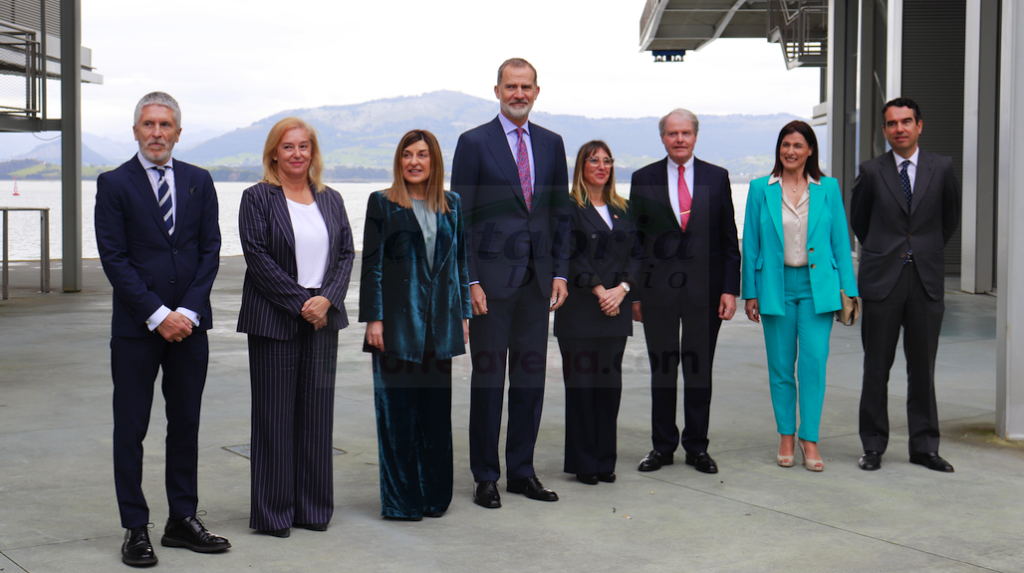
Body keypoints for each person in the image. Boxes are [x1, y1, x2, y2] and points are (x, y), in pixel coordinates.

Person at [95, 91, 229, 567]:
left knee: (185, 425)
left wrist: (187, 313)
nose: (156, 133)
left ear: (177, 131)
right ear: (135, 131)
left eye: (165, 125)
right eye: (148, 124)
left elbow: (210, 249)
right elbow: (114, 258)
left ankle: (181, 520)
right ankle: (135, 527)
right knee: (131, 429)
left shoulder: (199, 180)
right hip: (137, 330)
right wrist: (158, 314)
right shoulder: (114, 184)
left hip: (191, 329)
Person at [451, 57, 570, 508]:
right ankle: (486, 476)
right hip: (490, 286)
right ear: (497, 90)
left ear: (537, 91)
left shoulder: (552, 143)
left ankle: (522, 472)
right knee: (487, 383)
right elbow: (460, 218)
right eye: (510, 86)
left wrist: (559, 271)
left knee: (529, 383)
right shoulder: (473, 143)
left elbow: (559, 213)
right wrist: (471, 280)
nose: (518, 93)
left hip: (537, 283)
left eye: (526, 86)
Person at [237, 117, 355, 536]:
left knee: (316, 419)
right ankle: (274, 514)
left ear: (313, 152)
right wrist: (302, 303)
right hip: (275, 319)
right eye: (288, 147)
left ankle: (313, 510)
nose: (297, 154)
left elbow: (345, 254)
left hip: (323, 318)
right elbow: (257, 257)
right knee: (274, 421)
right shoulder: (257, 198)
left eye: (304, 146)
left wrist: (328, 300)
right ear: (273, 153)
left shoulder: (331, 198)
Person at [359, 129, 471, 520]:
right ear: (399, 160)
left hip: (440, 326)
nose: (414, 162)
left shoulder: (452, 204)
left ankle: (434, 496)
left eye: (422, 154)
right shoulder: (382, 203)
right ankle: (401, 500)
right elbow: (372, 266)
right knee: (397, 417)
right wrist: (374, 318)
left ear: (434, 160)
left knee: (435, 416)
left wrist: (464, 316)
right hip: (396, 325)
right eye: (407, 155)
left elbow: (460, 264)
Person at [850, 97, 961, 473]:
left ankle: (924, 447)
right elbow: (860, 223)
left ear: (919, 126)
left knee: (922, 369)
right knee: (876, 368)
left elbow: (949, 219)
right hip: (882, 282)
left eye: (906, 121)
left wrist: (922, 250)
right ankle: (873, 446)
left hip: (925, 281)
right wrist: (887, 252)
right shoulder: (871, 170)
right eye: (892, 123)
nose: (900, 128)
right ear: (884, 130)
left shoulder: (942, 168)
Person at [741, 120, 859, 472]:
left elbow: (841, 242)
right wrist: (750, 293)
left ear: (810, 150)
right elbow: (751, 242)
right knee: (780, 367)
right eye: (785, 145)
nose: (790, 151)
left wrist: (849, 293)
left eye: (797, 145)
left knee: (813, 364)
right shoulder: (761, 189)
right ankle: (786, 436)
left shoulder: (828, 188)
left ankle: (810, 439)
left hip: (817, 290)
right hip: (775, 288)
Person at [629, 108, 741, 475]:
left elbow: (728, 239)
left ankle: (697, 447)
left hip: (704, 293)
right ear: (663, 138)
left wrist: (729, 289)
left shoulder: (717, 177)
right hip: (657, 292)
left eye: (686, 133)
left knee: (698, 373)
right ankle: (662, 447)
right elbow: (636, 241)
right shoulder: (643, 178)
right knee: (663, 371)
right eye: (672, 133)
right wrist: (635, 295)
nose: (679, 139)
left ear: (695, 136)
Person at [554, 141, 641, 485]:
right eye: (594, 161)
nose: (601, 166)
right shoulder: (569, 205)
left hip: (615, 310)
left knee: (609, 388)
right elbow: (569, 252)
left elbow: (637, 253)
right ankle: (584, 463)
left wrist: (623, 289)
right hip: (579, 311)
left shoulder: (624, 207)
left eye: (607, 161)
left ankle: (606, 460)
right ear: (582, 166)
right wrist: (599, 289)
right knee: (582, 389)